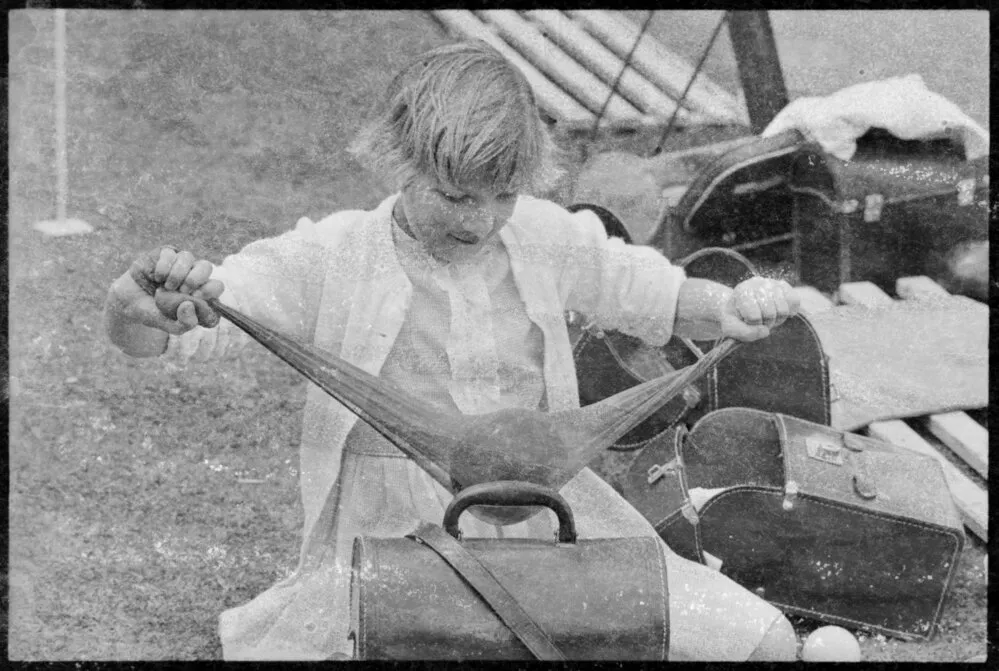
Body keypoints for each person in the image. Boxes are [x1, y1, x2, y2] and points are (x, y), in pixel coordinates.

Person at [104, 40, 800, 661]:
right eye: (454, 196)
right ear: (396, 162)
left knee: (759, 637)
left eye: (501, 196)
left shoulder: (544, 235)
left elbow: (656, 295)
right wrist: (136, 310)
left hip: (544, 514)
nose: (480, 221)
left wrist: (731, 306)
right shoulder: (333, 254)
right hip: (387, 533)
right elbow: (188, 321)